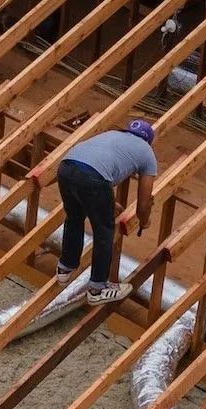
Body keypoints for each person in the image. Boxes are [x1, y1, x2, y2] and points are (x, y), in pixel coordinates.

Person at [34, 120, 157, 305]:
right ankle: (98, 288)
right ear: (148, 140)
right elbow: (144, 202)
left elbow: (94, 166)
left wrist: (107, 201)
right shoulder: (147, 153)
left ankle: (65, 268)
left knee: (74, 217)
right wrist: (144, 220)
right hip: (93, 180)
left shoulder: (112, 134)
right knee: (104, 231)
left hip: (67, 168)